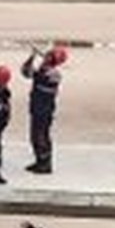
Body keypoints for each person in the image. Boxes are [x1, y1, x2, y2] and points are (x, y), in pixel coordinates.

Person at [22, 45, 68, 174]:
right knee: (35, 135)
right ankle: (39, 161)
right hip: (37, 107)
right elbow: (26, 72)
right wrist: (31, 58)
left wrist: (42, 64)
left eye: (49, 55)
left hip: (44, 110)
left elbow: (37, 76)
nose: (46, 57)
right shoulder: (45, 70)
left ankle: (45, 163)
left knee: (41, 135)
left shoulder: (53, 74)